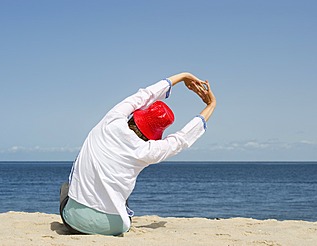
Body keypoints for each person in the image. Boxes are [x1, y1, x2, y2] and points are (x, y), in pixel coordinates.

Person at [59, 72, 217, 236]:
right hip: (115, 227)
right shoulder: (147, 151)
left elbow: (145, 95)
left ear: (137, 116)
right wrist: (210, 105)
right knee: (121, 195)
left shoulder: (111, 121)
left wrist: (183, 76)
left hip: (74, 221)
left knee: (66, 188)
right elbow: (181, 139)